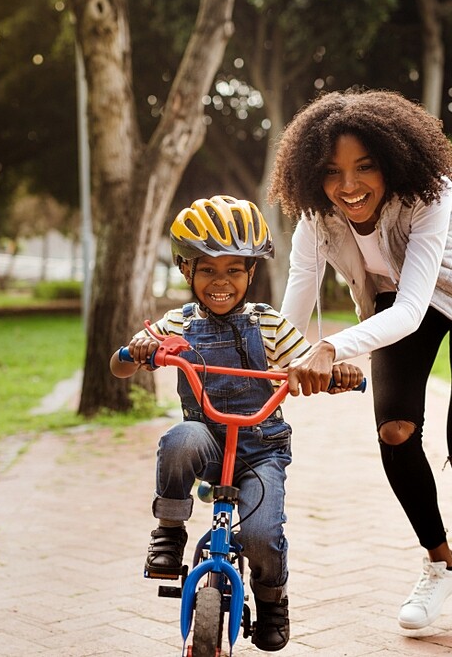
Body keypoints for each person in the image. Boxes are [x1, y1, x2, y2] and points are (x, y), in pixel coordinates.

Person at [268, 89, 452, 630]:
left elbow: (412, 310)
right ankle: (441, 563)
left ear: (392, 162)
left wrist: (331, 346)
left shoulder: (431, 196)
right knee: (395, 429)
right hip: (397, 297)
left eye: (365, 167)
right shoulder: (317, 218)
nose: (348, 186)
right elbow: (298, 294)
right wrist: (277, 357)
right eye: (333, 172)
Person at [110, 195, 363, 651]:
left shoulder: (267, 324)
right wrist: (139, 352)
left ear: (251, 273)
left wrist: (333, 371)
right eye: (207, 269)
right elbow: (119, 366)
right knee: (179, 438)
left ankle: (271, 601)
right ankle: (169, 531)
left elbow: (306, 360)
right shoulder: (178, 324)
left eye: (234, 270)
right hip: (207, 440)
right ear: (187, 272)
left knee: (263, 536)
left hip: (260, 449)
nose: (220, 282)